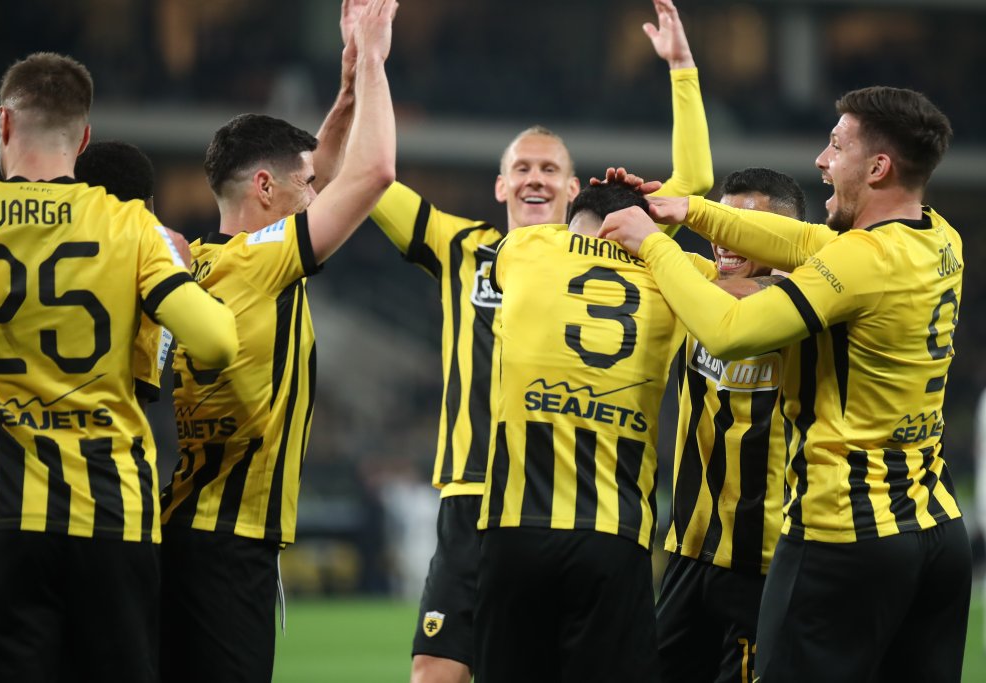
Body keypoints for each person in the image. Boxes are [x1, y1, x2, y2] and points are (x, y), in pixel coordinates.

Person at [368, 1, 711, 679]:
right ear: (500, 184)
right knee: (436, 671)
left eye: (549, 169)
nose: (534, 177)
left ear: (574, 188)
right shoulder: (467, 246)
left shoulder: (620, 251)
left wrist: (681, 69)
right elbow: (369, 182)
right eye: (522, 167)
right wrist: (360, 76)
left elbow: (692, 186)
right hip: (476, 490)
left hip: (556, 503)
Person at [599, 85, 970, 682]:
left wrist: (652, 245)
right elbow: (802, 241)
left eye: (837, 146)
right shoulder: (939, 237)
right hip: (935, 525)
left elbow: (730, 331)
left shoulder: (861, 263)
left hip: (846, 530)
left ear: (878, 167)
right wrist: (687, 210)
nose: (822, 160)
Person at [0, 52, 237, 683]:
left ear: (4, 124)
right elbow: (218, 343)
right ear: (84, 138)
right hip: (113, 516)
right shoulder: (131, 226)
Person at [157, 1, 397, 681]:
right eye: (304, 187)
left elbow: (322, 165)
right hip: (228, 547)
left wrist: (346, 91)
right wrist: (375, 59)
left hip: (186, 531)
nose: (316, 194)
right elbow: (374, 173)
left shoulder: (204, 260)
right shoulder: (263, 261)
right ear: (264, 187)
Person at [655, 167, 806, 683]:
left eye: (742, 227)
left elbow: (769, 294)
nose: (723, 238)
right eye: (719, 223)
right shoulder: (697, 282)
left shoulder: (815, 298)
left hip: (764, 560)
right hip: (687, 549)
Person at [75, 139, 189, 407]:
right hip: (110, 429)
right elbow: (216, 343)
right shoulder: (150, 268)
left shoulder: (37, 255)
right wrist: (180, 279)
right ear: (148, 207)